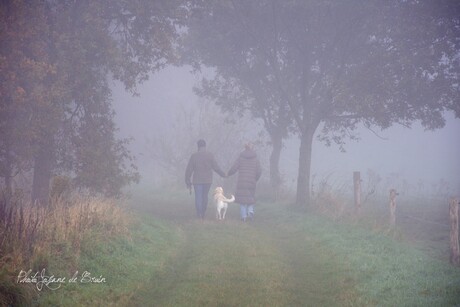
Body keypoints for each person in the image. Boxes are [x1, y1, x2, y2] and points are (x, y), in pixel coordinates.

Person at [185, 139, 226, 219]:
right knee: (205, 196)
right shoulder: (210, 155)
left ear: (198, 146)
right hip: (207, 180)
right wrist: (223, 174)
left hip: (197, 180)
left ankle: (199, 214)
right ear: (205, 146)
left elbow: (189, 169)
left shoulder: (194, 156)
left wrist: (187, 180)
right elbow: (216, 167)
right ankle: (203, 213)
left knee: (198, 197)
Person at [227, 142, 262, 222]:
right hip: (252, 181)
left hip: (242, 181)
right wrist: (255, 178)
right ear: (252, 148)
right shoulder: (255, 159)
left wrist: (228, 173)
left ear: (245, 148)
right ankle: (250, 211)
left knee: (243, 200)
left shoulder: (240, 157)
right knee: (250, 197)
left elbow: (234, 168)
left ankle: (243, 216)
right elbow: (259, 171)